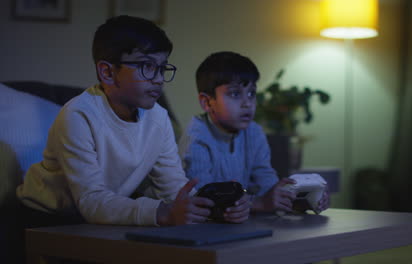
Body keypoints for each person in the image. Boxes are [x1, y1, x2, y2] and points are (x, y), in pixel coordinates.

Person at [16, 15, 215, 227]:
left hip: (98, 212)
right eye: (147, 66)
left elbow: (172, 185)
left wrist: (213, 207)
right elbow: (91, 200)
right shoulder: (78, 115)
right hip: (47, 215)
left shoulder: (158, 117)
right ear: (107, 72)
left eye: (162, 68)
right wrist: (161, 213)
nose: (158, 78)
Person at [179, 51, 330, 214]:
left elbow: (266, 186)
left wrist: (295, 202)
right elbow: (203, 200)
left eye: (251, 93)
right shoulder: (197, 137)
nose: (247, 103)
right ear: (207, 102)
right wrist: (258, 204)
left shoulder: (254, 132)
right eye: (235, 94)